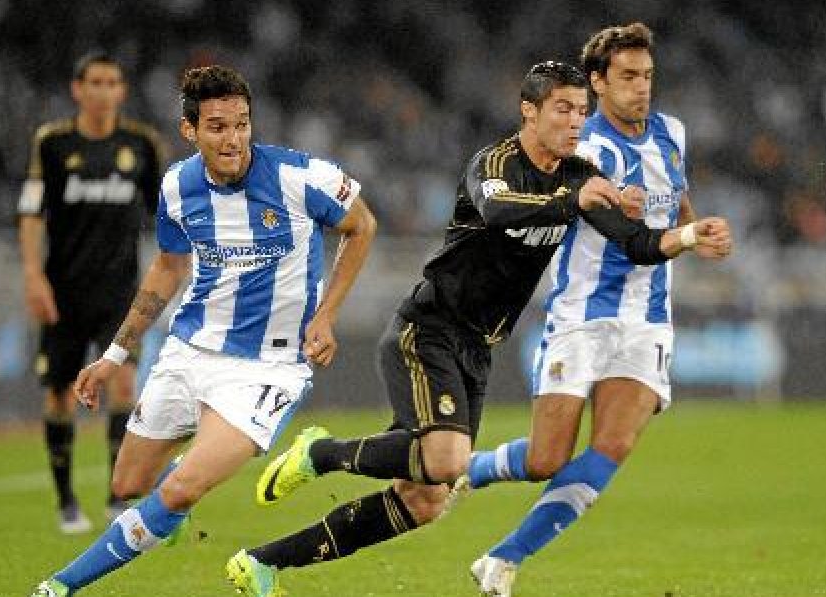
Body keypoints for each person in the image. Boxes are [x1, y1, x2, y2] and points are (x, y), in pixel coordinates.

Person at [224, 60, 732, 596]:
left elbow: (635, 244)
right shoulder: (495, 163)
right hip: (428, 331)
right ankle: (320, 454)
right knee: (449, 460)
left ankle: (261, 563)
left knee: (424, 499)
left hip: (478, 349)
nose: (576, 122)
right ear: (529, 111)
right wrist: (571, 202)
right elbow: (496, 209)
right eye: (562, 109)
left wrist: (692, 234)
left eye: (583, 111)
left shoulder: (580, 174)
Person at [30, 64, 377, 597]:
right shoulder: (176, 185)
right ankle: (177, 490)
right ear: (190, 130)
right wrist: (115, 356)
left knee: (181, 489)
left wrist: (326, 311)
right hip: (190, 351)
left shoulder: (301, 177)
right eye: (218, 127)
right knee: (127, 486)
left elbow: (362, 225)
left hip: (268, 366)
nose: (234, 139)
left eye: (242, 124)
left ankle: (58, 586)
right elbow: (168, 268)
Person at [464, 22, 734, 597]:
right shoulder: (583, 148)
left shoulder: (672, 134)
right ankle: (470, 470)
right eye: (628, 77)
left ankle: (504, 559)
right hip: (581, 316)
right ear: (597, 83)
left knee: (613, 444)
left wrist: (696, 231)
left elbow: (676, 201)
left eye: (648, 76)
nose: (642, 88)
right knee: (544, 459)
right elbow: (574, 205)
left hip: (647, 318)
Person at [18, 52, 167, 534]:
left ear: (122, 91)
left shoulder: (141, 145)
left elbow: (164, 214)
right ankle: (65, 501)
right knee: (60, 392)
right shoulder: (53, 143)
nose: (103, 91)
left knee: (123, 384)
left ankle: (117, 496)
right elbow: (31, 212)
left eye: (112, 82)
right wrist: (32, 275)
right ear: (77, 89)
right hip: (62, 291)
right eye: (95, 82)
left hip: (121, 292)